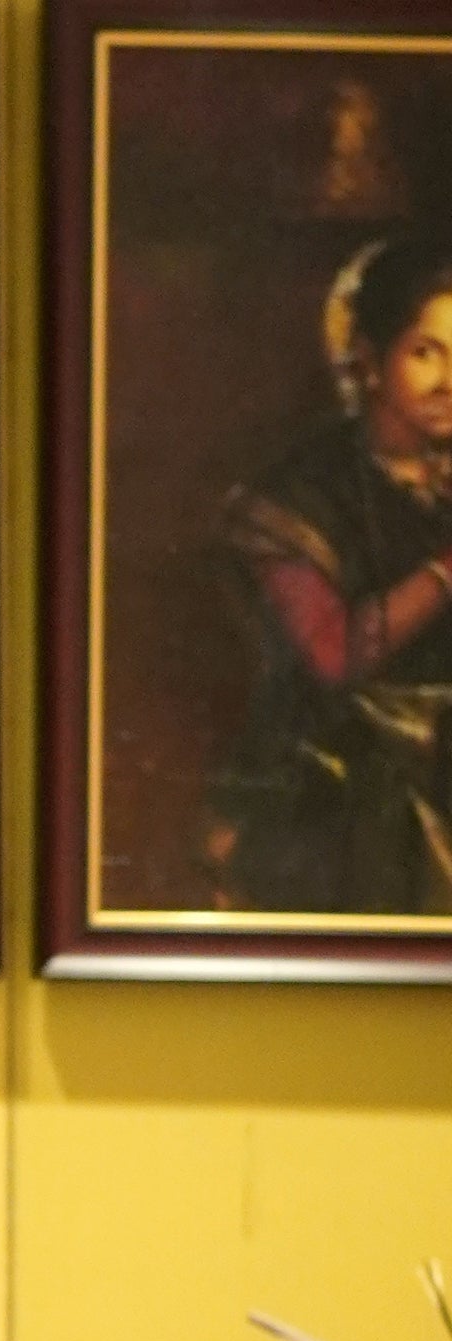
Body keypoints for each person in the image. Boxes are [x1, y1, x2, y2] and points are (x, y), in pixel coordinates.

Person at [212, 229, 452, 913]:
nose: (450, 382)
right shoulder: (298, 496)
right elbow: (334, 655)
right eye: (426, 353)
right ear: (370, 360)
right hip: (349, 786)